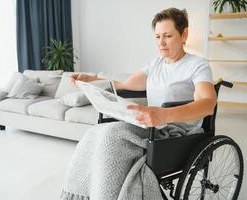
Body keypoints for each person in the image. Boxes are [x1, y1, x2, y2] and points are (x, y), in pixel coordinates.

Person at [61, 7, 216, 200]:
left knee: (111, 138)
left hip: (177, 132)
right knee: (96, 133)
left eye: (168, 35)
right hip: (150, 125)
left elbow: (208, 103)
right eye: (157, 36)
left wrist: (164, 114)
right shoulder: (156, 64)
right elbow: (124, 85)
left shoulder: (197, 65)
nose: (161, 42)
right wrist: (90, 79)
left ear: (184, 34)